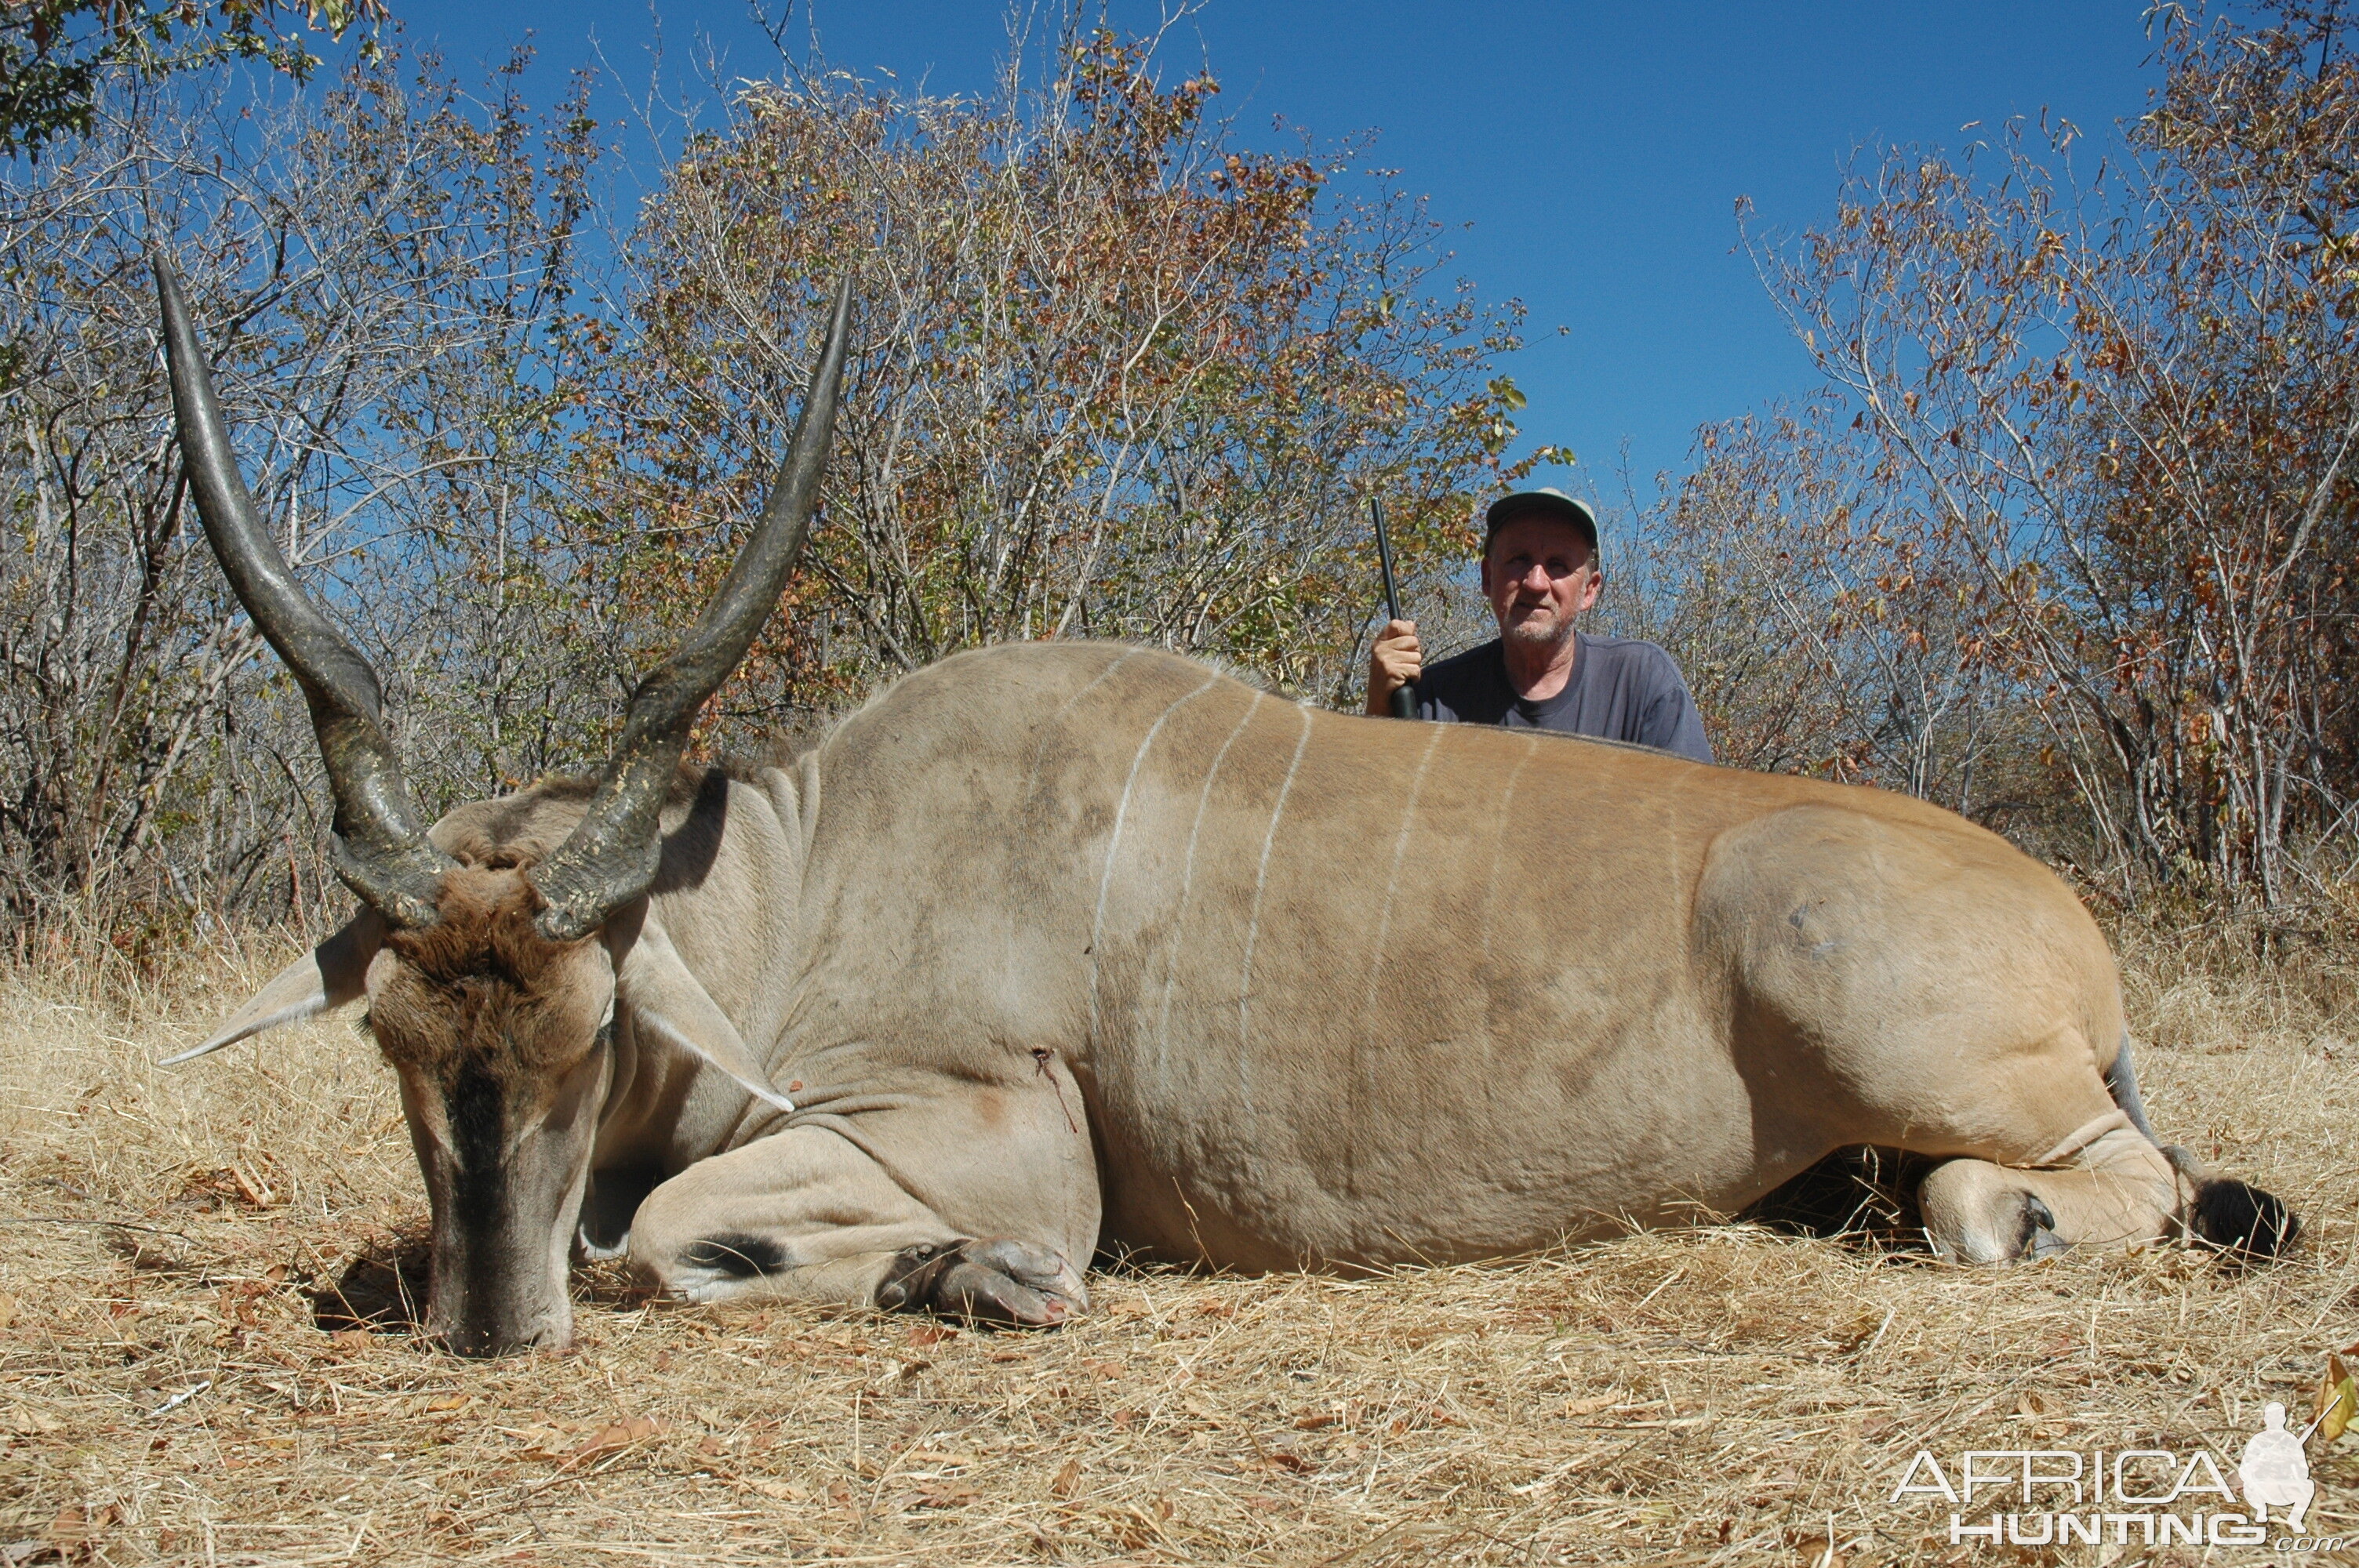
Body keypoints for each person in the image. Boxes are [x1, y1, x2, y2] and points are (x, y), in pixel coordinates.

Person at [1365, 488, 1714, 764]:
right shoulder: (1432, 697)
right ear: (1488, 577)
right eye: (1519, 560)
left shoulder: (1642, 681)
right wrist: (1379, 710)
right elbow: (1378, 816)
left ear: (1590, 590)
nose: (1535, 582)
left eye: (1558, 565)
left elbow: (1692, 821)